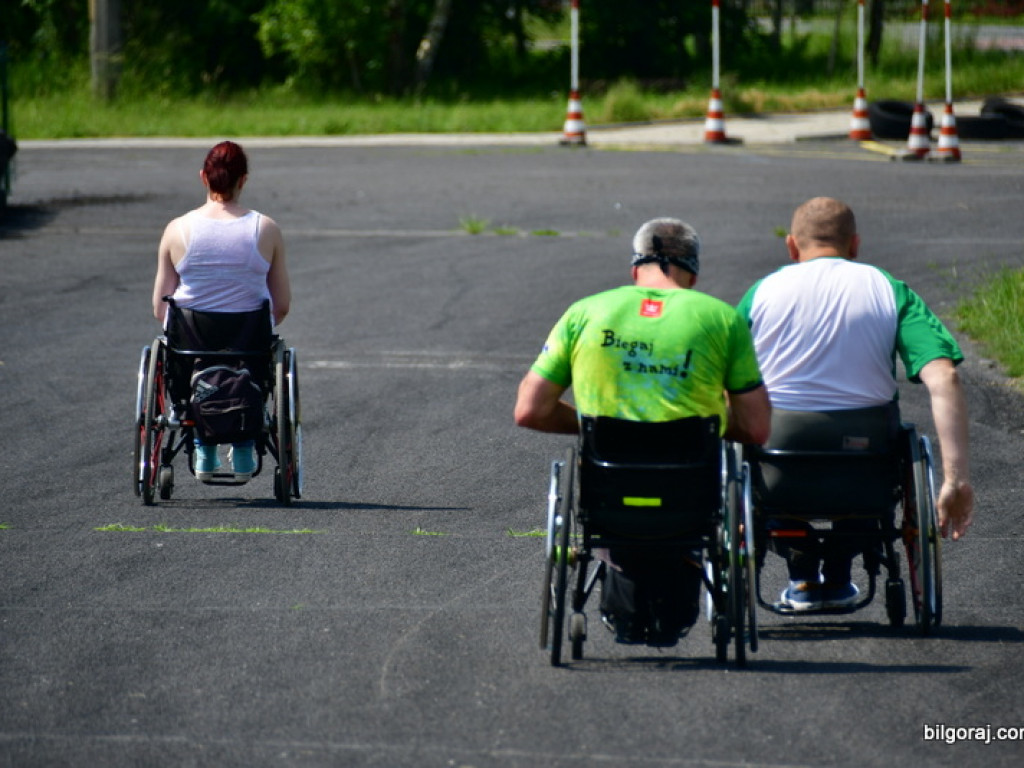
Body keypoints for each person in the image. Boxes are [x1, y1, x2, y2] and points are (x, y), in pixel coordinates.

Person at [515, 217, 771, 647]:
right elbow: (758, 427)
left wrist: (591, 425)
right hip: (689, 497)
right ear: (693, 273)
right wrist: (710, 424)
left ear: (635, 269)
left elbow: (529, 410)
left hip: (610, 493)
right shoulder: (720, 318)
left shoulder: (585, 312)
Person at [737, 196, 974, 611]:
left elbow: (726, 382)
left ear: (791, 245)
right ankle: (839, 567)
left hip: (778, 454)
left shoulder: (761, 293)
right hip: (865, 456)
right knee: (876, 469)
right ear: (855, 244)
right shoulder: (889, 289)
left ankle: (802, 571)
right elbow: (945, 377)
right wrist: (956, 478)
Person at [152, 141, 291, 482]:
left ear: (204, 177)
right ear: (243, 180)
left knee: (180, 346)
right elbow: (282, 305)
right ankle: (243, 444)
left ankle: (203, 445)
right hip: (249, 344)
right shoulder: (266, 229)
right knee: (256, 351)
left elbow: (160, 307)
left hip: (190, 345)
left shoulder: (176, 230)